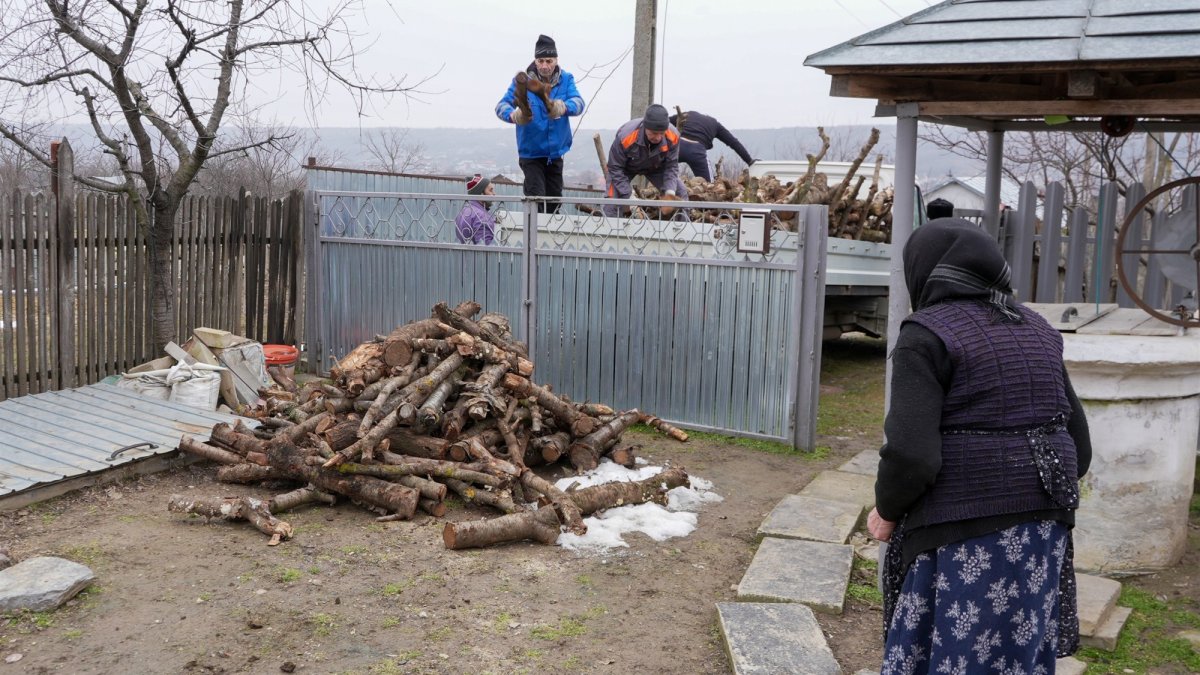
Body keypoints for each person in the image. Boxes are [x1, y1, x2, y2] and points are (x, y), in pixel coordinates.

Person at [867, 218, 1092, 674]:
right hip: (1043, 529)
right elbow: (1080, 446)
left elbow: (911, 453)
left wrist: (887, 510)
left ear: (924, 272)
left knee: (954, 655)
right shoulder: (1039, 330)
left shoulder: (926, 334)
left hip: (963, 533)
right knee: (1016, 658)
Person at [495, 35, 585, 213]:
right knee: (536, 200)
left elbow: (579, 102)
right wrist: (514, 116)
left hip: (555, 154)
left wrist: (562, 107)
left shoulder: (566, 79)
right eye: (540, 60)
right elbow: (500, 106)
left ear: (556, 60)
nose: (544, 66)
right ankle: (532, 238)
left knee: (553, 203)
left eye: (548, 61)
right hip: (531, 154)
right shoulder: (522, 82)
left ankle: (549, 239)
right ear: (535, 61)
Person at [605, 103, 687, 214]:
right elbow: (614, 167)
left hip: (657, 167)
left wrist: (670, 193)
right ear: (645, 127)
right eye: (654, 133)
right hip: (625, 169)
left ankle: (680, 229)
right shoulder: (626, 137)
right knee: (612, 201)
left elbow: (671, 166)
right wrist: (628, 195)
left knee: (680, 192)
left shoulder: (673, 136)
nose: (658, 138)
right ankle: (612, 229)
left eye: (661, 133)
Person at [667, 110, 754, 181]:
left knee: (660, 168)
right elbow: (733, 142)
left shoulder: (689, 114)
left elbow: (664, 121)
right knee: (709, 186)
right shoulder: (716, 124)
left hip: (679, 146)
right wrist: (749, 161)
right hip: (697, 151)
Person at [455, 174, 497, 245]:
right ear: (481, 194)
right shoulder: (482, 217)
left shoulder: (464, 210)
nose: (494, 194)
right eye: (491, 190)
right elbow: (486, 249)